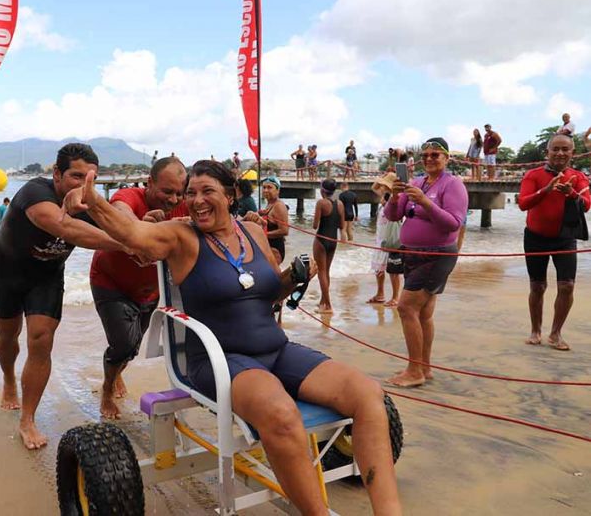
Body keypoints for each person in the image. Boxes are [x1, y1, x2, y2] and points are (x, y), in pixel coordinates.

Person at [66, 160, 402, 515]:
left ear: (229, 196)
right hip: (219, 360)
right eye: (190, 193)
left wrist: (295, 276)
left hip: (277, 351)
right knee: (281, 415)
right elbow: (133, 234)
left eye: (207, 191)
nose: (196, 201)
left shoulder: (253, 233)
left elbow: (272, 293)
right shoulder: (180, 236)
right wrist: (95, 202)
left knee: (368, 395)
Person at [0, 143, 127, 449]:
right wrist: (127, 245)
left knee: (40, 339)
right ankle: (9, 379)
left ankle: (28, 419)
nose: (83, 185)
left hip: (46, 277)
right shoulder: (35, 193)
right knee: (7, 335)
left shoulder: (90, 202)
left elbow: (122, 221)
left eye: (91, 178)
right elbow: (67, 228)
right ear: (57, 174)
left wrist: (150, 230)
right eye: (76, 176)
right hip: (5, 273)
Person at [90, 157, 189, 418]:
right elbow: (121, 212)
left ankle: (117, 371)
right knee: (122, 345)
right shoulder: (129, 196)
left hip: (150, 289)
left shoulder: (183, 207)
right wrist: (139, 224)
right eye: (167, 191)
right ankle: (107, 389)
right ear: (149, 183)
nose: (173, 199)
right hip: (109, 280)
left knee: (133, 347)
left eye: (179, 192)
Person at [384, 137, 468, 387]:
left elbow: (453, 223)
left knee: (406, 307)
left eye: (436, 155)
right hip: (412, 253)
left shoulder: (452, 185)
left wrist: (423, 201)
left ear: (446, 158)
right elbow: (392, 216)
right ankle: (424, 366)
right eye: (426, 155)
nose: (430, 159)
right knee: (423, 313)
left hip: (437, 254)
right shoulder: (417, 182)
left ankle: (414, 371)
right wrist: (395, 195)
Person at [518, 135, 590, 351]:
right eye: (555, 149)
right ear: (547, 152)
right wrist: (546, 190)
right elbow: (523, 203)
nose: (560, 153)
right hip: (535, 237)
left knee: (567, 286)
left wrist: (571, 194)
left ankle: (556, 333)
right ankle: (535, 330)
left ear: (572, 153)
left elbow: (586, 205)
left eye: (565, 150)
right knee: (537, 286)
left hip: (565, 238)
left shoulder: (577, 177)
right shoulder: (533, 175)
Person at [368, 174, 402, 306]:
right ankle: (380, 294)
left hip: (391, 239)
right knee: (379, 269)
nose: (381, 187)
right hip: (381, 238)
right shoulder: (384, 197)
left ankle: (395, 297)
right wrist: (382, 178)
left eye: (384, 185)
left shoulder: (395, 198)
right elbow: (374, 187)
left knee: (394, 270)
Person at [313, 178, 345, 313]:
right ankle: (322, 301)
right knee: (326, 271)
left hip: (321, 239)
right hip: (333, 240)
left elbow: (315, 225)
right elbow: (342, 225)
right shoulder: (340, 204)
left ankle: (328, 305)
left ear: (322, 190)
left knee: (321, 272)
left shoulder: (321, 203)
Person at [255, 176, 289, 263]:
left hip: (275, 250)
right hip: (268, 247)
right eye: (264, 187)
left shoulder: (279, 206)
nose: (265, 190)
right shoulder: (270, 205)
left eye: (269, 187)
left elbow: (284, 231)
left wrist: (263, 235)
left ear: (278, 191)